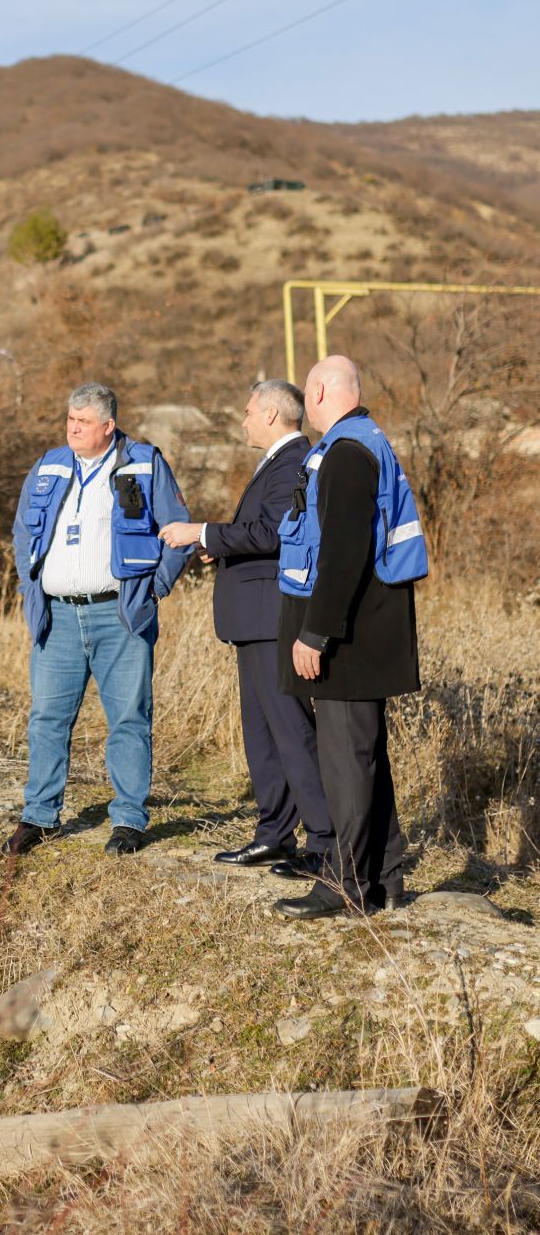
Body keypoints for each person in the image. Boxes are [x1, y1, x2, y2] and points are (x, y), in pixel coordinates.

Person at [7, 383, 192, 856]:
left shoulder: (144, 464)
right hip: (58, 618)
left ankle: (128, 820)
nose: (73, 427)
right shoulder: (49, 464)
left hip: (120, 616)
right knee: (48, 718)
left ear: (108, 426)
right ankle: (40, 816)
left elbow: (178, 533)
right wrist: (32, 586)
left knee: (129, 719)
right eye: (70, 418)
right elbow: (24, 530)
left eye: (83, 421)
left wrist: (153, 589)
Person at [158, 380, 332, 880]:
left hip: (272, 618)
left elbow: (273, 533)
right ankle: (274, 834)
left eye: (250, 411)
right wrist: (223, 546)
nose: (243, 420)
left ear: (274, 415)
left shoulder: (294, 460)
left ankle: (323, 842)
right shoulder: (277, 461)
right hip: (253, 620)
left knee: (291, 732)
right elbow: (260, 534)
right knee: (262, 734)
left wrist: (203, 533)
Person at [272, 355, 426, 920]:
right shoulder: (364, 442)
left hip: (350, 640)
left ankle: (346, 885)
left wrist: (314, 634)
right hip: (367, 634)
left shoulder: (345, 454)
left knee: (345, 763)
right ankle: (386, 874)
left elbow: (342, 554)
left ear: (316, 393)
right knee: (364, 760)